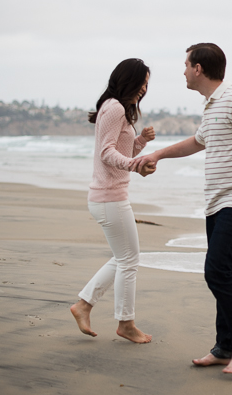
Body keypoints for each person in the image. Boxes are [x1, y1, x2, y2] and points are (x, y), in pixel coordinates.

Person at [133, 43, 232, 373]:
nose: (184, 71)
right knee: (227, 271)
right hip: (217, 202)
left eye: (186, 65)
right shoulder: (212, 105)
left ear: (198, 68)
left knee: (215, 270)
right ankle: (225, 346)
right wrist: (157, 155)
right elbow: (197, 142)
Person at [70, 58, 157, 344]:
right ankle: (125, 323)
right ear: (127, 80)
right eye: (142, 81)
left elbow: (119, 148)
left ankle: (83, 305)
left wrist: (140, 142)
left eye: (147, 83)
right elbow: (107, 153)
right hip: (109, 197)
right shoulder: (115, 107)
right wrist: (136, 165)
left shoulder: (115, 108)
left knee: (123, 258)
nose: (144, 88)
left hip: (108, 196)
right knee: (129, 260)